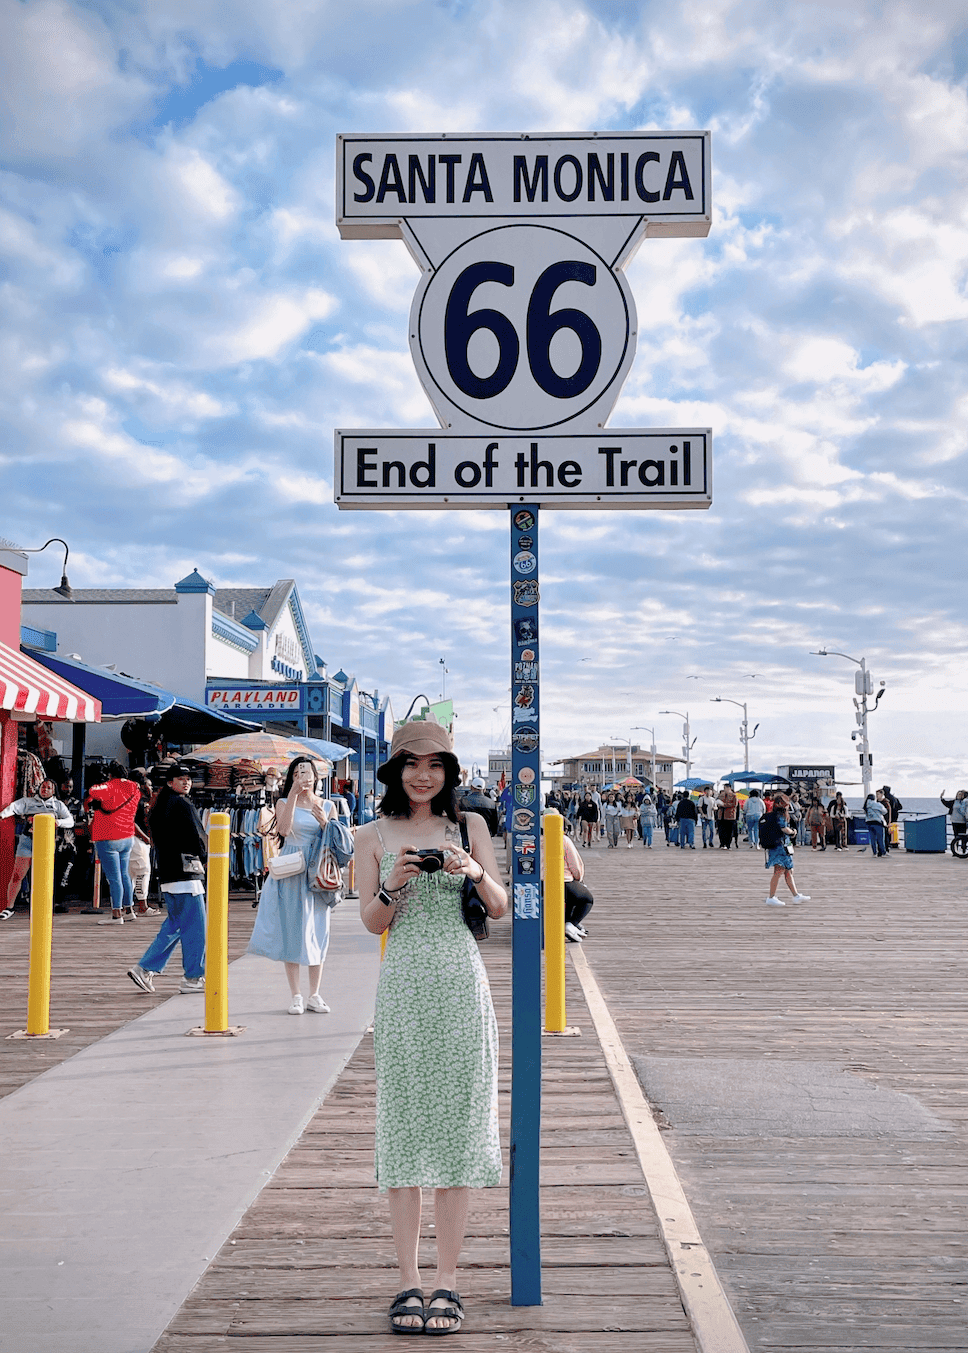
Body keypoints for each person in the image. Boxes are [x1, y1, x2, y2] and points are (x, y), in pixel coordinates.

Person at [355, 719, 507, 1335]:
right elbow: (370, 923)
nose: (423, 775)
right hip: (404, 989)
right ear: (395, 771)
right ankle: (408, 1282)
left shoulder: (468, 826)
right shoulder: (370, 833)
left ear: (449, 771)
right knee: (404, 1131)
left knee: (459, 1131)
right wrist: (393, 881)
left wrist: (469, 869)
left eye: (435, 765)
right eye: (412, 764)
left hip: (460, 986)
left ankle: (447, 1280)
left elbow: (499, 904)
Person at [246, 756, 339, 1014]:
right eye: (298, 772)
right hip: (291, 871)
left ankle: (315, 994)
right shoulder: (284, 802)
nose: (304, 777)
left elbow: (337, 840)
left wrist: (324, 822)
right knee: (292, 930)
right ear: (292, 778)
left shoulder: (328, 805)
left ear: (316, 777)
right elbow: (284, 831)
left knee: (319, 930)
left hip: (318, 871)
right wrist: (295, 796)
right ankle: (296, 994)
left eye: (308, 772)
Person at [127, 764, 209, 995]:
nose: (186, 782)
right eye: (180, 779)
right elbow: (197, 835)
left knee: (175, 924)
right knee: (195, 928)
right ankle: (193, 977)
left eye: (188, 779)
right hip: (187, 874)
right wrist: (206, 857)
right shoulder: (182, 803)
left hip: (168, 874)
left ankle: (146, 967)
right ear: (170, 782)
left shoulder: (159, 805)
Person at [0, 780, 74, 918]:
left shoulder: (58, 805)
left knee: (43, 877)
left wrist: (57, 822)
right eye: (43, 787)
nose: (44, 789)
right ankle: (9, 908)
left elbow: (70, 821)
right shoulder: (27, 801)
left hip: (45, 843)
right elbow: (14, 807)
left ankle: (42, 908)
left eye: (48, 788)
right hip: (27, 841)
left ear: (53, 791)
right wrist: (2, 815)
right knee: (17, 875)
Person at [86, 761, 140, 924]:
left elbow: (92, 791)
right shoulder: (135, 788)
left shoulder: (109, 786)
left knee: (114, 878)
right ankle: (129, 909)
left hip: (108, 836)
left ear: (110, 775)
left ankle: (117, 914)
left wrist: (100, 782)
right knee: (124, 875)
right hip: (127, 836)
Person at [760, 792, 810, 906]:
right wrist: (793, 832)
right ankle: (771, 897)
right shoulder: (780, 815)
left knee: (788, 871)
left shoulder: (772, 814)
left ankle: (796, 895)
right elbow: (784, 828)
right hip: (780, 846)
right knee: (779, 871)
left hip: (778, 846)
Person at [127, 768, 158, 915]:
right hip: (138, 840)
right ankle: (142, 906)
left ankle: (128, 907)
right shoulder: (139, 801)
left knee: (131, 873)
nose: (150, 787)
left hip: (134, 840)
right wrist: (145, 838)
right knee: (142, 872)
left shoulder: (133, 798)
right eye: (149, 784)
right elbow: (132, 822)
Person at [864, 792, 888, 857]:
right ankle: (883, 853)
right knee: (880, 839)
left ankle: (874, 853)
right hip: (877, 822)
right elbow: (885, 811)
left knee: (872, 839)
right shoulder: (877, 804)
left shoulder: (866, 805)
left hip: (869, 823)